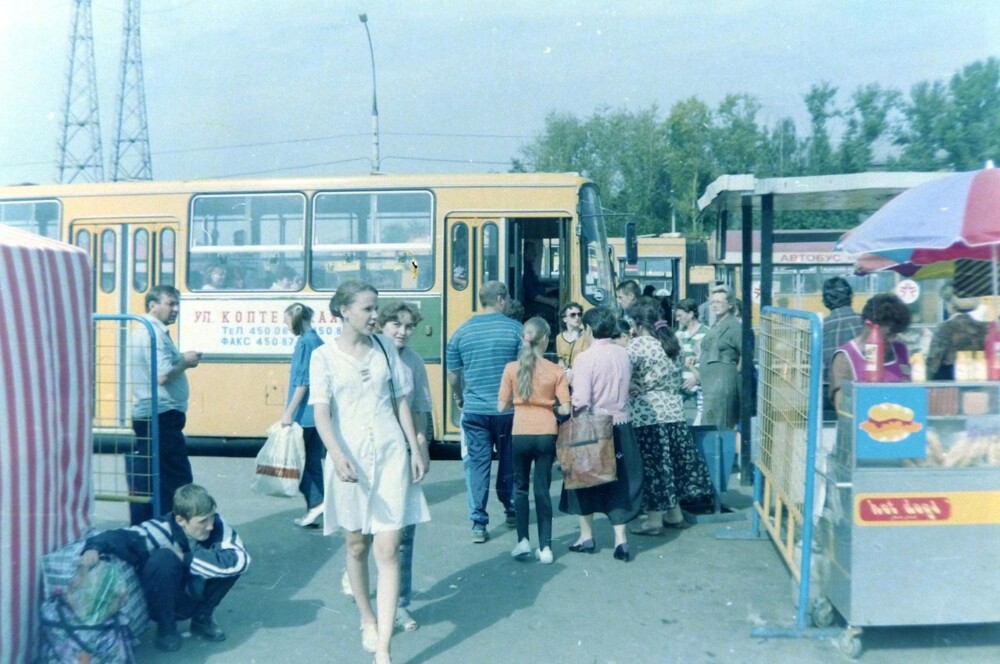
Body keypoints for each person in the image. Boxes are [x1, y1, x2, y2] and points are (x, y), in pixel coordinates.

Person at [310, 280, 429, 662]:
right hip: (350, 460)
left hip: (391, 453)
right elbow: (321, 413)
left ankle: (384, 647)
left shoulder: (383, 348)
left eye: (376, 307)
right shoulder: (323, 356)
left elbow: (400, 401)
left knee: (389, 547)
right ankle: (367, 618)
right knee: (356, 545)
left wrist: (414, 447)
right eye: (367, 308)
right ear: (345, 311)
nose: (376, 315)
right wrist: (336, 453)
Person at [80, 484, 250, 653]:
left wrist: (185, 558)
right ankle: (166, 628)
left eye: (212, 517)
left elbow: (241, 560)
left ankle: (202, 617)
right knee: (164, 558)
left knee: (231, 560)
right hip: (167, 598)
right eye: (203, 521)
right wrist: (93, 548)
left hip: (196, 592)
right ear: (180, 520)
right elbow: (119, 537)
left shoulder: (219, 526)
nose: (210, 526)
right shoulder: (160, 529)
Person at [560, 306, 643, 562]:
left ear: (589, 329)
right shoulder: (623, 354)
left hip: (593, 426)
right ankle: (621, 541)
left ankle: (586, 537)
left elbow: (582, 399)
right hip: (622, 424)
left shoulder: (585, 358)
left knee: (584, 482)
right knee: (620, 483)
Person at [625, 299, 714, 534]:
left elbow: (624, 374)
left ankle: (654, 521)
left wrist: (632, 382)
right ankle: (674, 514)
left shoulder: (638, 345)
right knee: (670, 465)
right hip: (674, 413)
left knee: (653, 467)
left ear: (638, 323)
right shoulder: (670, 342)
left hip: (648, 414)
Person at [446, 280, 524, 543]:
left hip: (475, 412)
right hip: (508, 411)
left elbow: (453, 375)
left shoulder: (461, 332)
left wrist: (459, 398)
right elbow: (524, 371)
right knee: (509, 463)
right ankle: (511, 508)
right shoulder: (516, 330)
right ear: (501, 299)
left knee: (477, 466)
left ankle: (478, 523)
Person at [377, 301, 433, 632]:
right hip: (372, 454)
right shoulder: (370, 356)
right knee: (368, 534)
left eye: (409, 326)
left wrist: (420, 449)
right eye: (396, 324)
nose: (403, 331)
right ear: (383, 324)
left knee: (404, 533)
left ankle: (399, 604)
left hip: (403, 454)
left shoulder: (413, 361)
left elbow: (420, 408)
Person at [497, 317, 571, 564]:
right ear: (546, 339)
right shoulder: (556, 371)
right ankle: (546, 548)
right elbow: (565, 409)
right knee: (542, 489)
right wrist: (550, 406)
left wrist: (518, 401)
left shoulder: (511, 368)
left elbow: (501, 406)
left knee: (519, 488)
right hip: (545, 433)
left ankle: (522, 541)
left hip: (520, 433)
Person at [128, 285, 201, 525]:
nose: (176, 309)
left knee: (154, 478)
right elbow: (161, 375)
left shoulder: (147, 331)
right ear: (153, 305)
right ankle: (176, 529)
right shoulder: (153, 333)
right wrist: (186, 361)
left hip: (156, 414)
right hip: (161, 415)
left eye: (177, 304)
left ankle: (156, 527)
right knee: (177, 478)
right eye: (171, 303)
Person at [281, 302, 325, 528]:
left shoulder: (305, 342)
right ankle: (317, 508)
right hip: (316, 414)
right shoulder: (316, 339)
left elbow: (302, 382)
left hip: (303, 414)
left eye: (287, 322)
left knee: (298, 463)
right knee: (313, 461)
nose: (287, 326)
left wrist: (288, 412)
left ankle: (316, 504)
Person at [828, 293, 913, 410]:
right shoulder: (845, 357)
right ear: (869, 326)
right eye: (888, 334)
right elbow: (842, 408)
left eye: (895, 334)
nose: (892, 339)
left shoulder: (900, 350)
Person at [821, 277, 863, 416]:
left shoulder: (818, 328)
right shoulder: (866, 323)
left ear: (826, 301)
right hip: (860, 390)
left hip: (826, 395)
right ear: (850, 296)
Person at [926, 285, 988, 381]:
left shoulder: (946, 328)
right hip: (981, 385)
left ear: (951, 304)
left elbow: (933, 364)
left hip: (950, 386)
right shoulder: (985, 328)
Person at [675, 298, 708, 425]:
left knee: (700, 419)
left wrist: (697, 376)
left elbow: (707, 360)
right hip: (681, 384)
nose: (678, 319)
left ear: (690, 314)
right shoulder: (679, 335)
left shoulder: (706, 333)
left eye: (680, 315)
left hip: (699, 383)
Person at [522, 240, 559, 316]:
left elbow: (537, 286)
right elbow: (531, 294)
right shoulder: (525, 268)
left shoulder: (529, 266)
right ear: (525, 253)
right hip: (530, 304)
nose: (535, 254)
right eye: (532, 251)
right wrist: (550, 301)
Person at [555, 301, 591, 378]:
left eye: (579, 314)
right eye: (573, 315)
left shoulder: (586, 335)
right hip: (566, 377)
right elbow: (560, 359)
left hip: (582, 375)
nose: (577, 317)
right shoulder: (559, 337)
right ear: (564, 319)